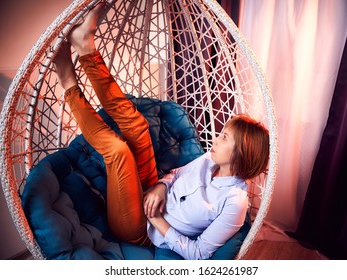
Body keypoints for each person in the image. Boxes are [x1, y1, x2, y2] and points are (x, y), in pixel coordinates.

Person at [54, 1, 269, 260]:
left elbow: (199, 253)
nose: (216, 138)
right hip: (149, 189)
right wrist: (161, 187)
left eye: (224, 137)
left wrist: (157, 221)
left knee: (117, 150)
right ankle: (86, 49)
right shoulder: (211, 160)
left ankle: (67, 81)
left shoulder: (234, 203)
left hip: (140, 227)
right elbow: (176, 174)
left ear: (241, 154)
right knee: (136, 125)